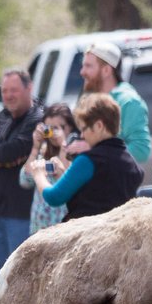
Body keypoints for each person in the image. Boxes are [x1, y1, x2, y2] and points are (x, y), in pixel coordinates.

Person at [0, 68, 41, 288]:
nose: (9, 95)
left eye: (14, 90)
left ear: (28, 88)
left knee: (20, 282)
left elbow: (15, 150)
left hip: (22, 214)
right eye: (4, 91)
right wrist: (1, 157)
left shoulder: (37, 118)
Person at [30, 92, 143, 220]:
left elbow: (54, 197)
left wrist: (38, 175)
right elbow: (97, 193)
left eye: (84, 129)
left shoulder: (88, 160)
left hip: (89, 236)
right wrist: (63, 174)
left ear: (99, 125)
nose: (82, 135)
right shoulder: (132, 164)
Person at [78, 42, 151, 164]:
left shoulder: (128, 101)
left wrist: (93, 150)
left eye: (88, 66)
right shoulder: (91, 99)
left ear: (106, 70)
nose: (82, 72)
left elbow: (141, 150)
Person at [19, 102, 79, 234]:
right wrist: (35, 147)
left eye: (60, 127)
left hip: (61, 230)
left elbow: (67, 181)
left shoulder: (78, 153)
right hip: (38, 230)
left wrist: (64, 145)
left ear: (71, 127)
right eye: (49, 127)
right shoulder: (42, 153)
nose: (53, 132)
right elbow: (24, 180)